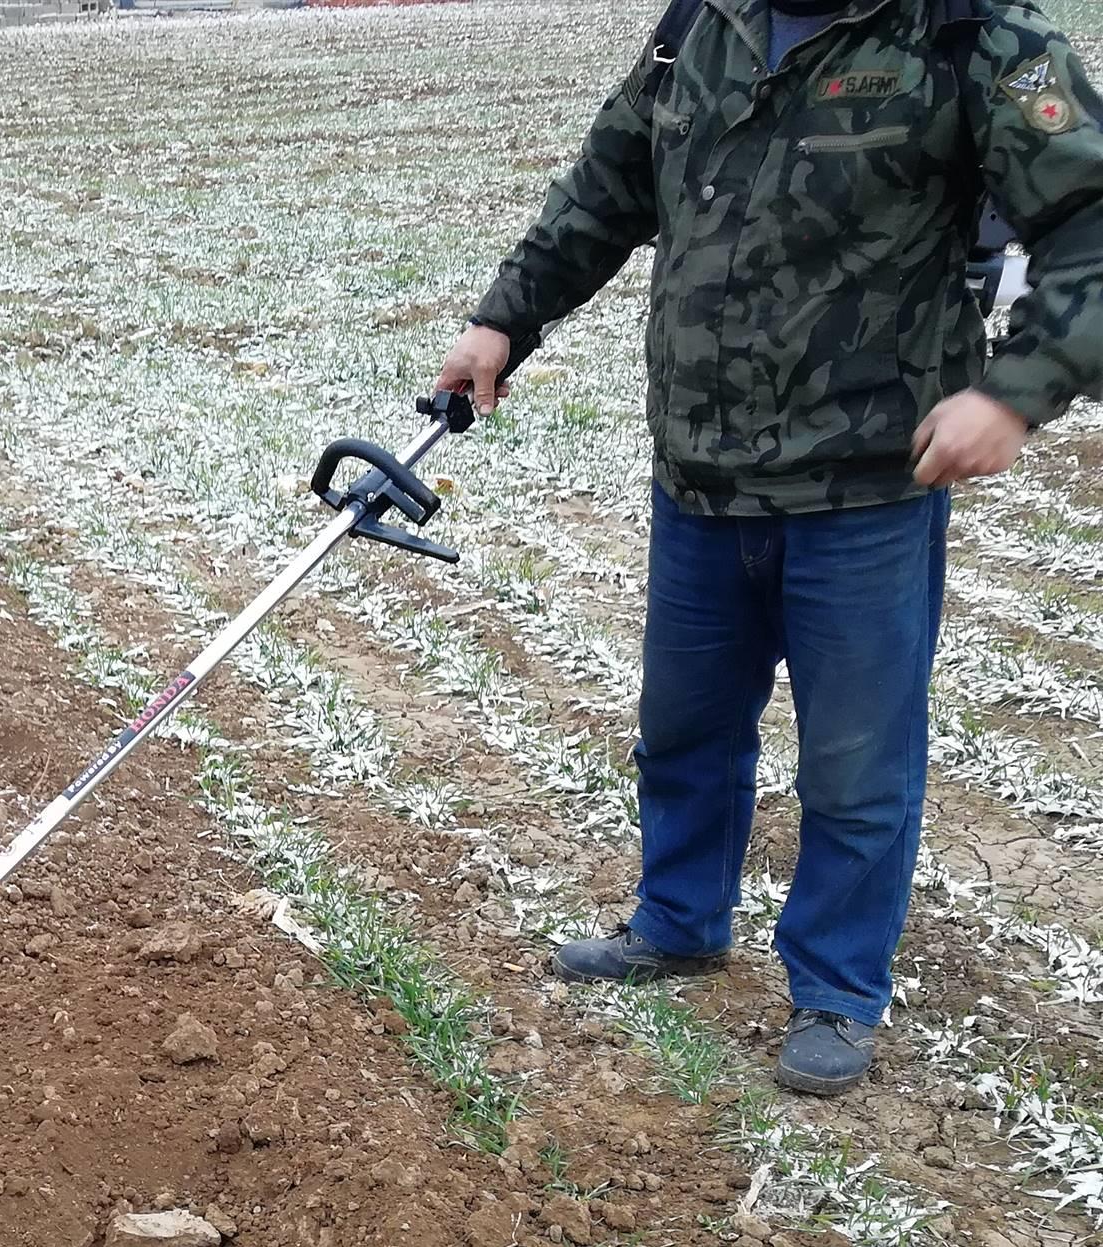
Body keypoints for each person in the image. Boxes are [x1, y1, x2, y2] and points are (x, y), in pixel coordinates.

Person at [437, 0, 1103, 1094]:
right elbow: (609, 185)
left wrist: (1015, 394)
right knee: (684, 730)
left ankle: (837, 990)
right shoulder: (701, 22)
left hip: (868, 489)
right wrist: (506, 318)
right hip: (701, 475)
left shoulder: (969, 34)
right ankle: (679, 922)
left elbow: (1089, 220)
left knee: (855, 765)